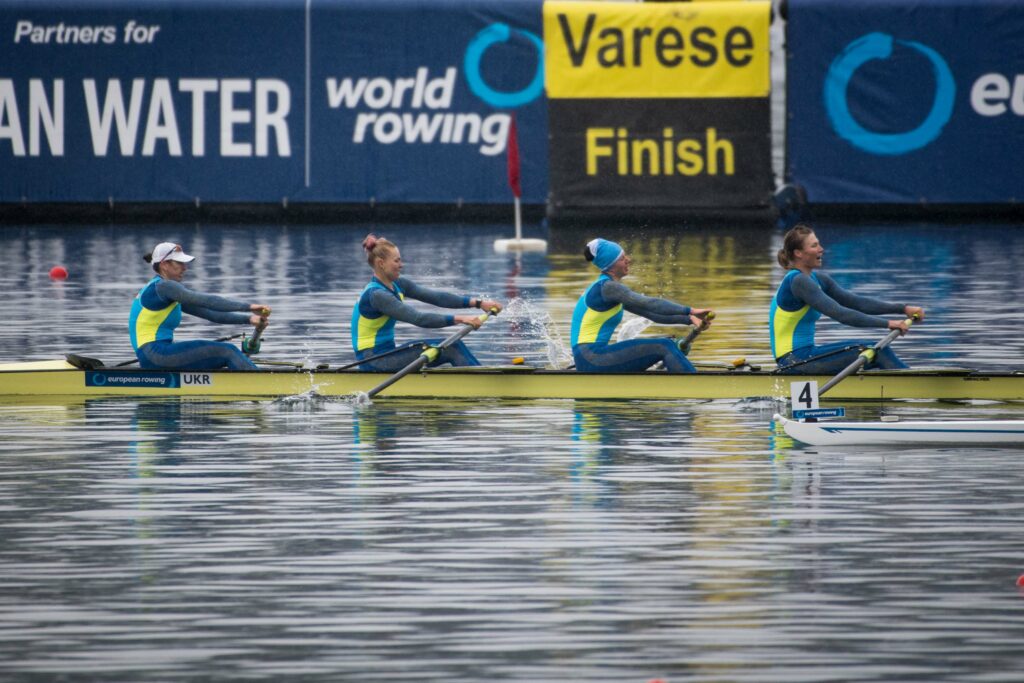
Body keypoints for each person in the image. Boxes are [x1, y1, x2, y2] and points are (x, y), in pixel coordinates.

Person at [770, 224, 925, 374]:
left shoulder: (818, 279)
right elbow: (841, 315)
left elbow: (857, 303)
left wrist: (903, 309)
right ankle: (917, 385)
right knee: (874, 350)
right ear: (798, 253)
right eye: (814, 246)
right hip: (792, 361)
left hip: (807, 354)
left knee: (874, 351)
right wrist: (889, 323)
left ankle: (890, 384)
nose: (821, 249)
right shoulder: (798, 281)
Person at [352, 234, 503, 371]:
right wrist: (461, 319)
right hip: (372, 360)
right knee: (452, 348)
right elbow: (419, 319)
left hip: (387, 354)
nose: (401, 265)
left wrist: (478, 303)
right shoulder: (377, 295)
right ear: (381, 263)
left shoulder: (398, 284)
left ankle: (481, 376)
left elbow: (437, 297)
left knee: (452, 346)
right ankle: (483, 382)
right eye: (396, 261)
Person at [570, 238, 713, 373]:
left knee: (669, 344)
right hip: (592, 357)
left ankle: (683, 381)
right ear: (611, 266)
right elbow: (650, 304)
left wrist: (689, 319)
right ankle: (699, 386)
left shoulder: (606, 289)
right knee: (664, 346)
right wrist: (691, 310)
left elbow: (652, 314)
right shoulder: (608, 287)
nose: (628, 260)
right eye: (622, 258)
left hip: (589, 358)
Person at [129, 242, 271, 371]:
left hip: (154, 355)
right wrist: (249, 306)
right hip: (155, 354)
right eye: (179, 263)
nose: (185, 268)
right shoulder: (163, 287)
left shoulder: (165, 292)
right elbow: (206, 300)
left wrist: (250, 319)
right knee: (228, 351)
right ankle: (265, 387)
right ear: (164, 264)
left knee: (225, 353)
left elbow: (211, 314)